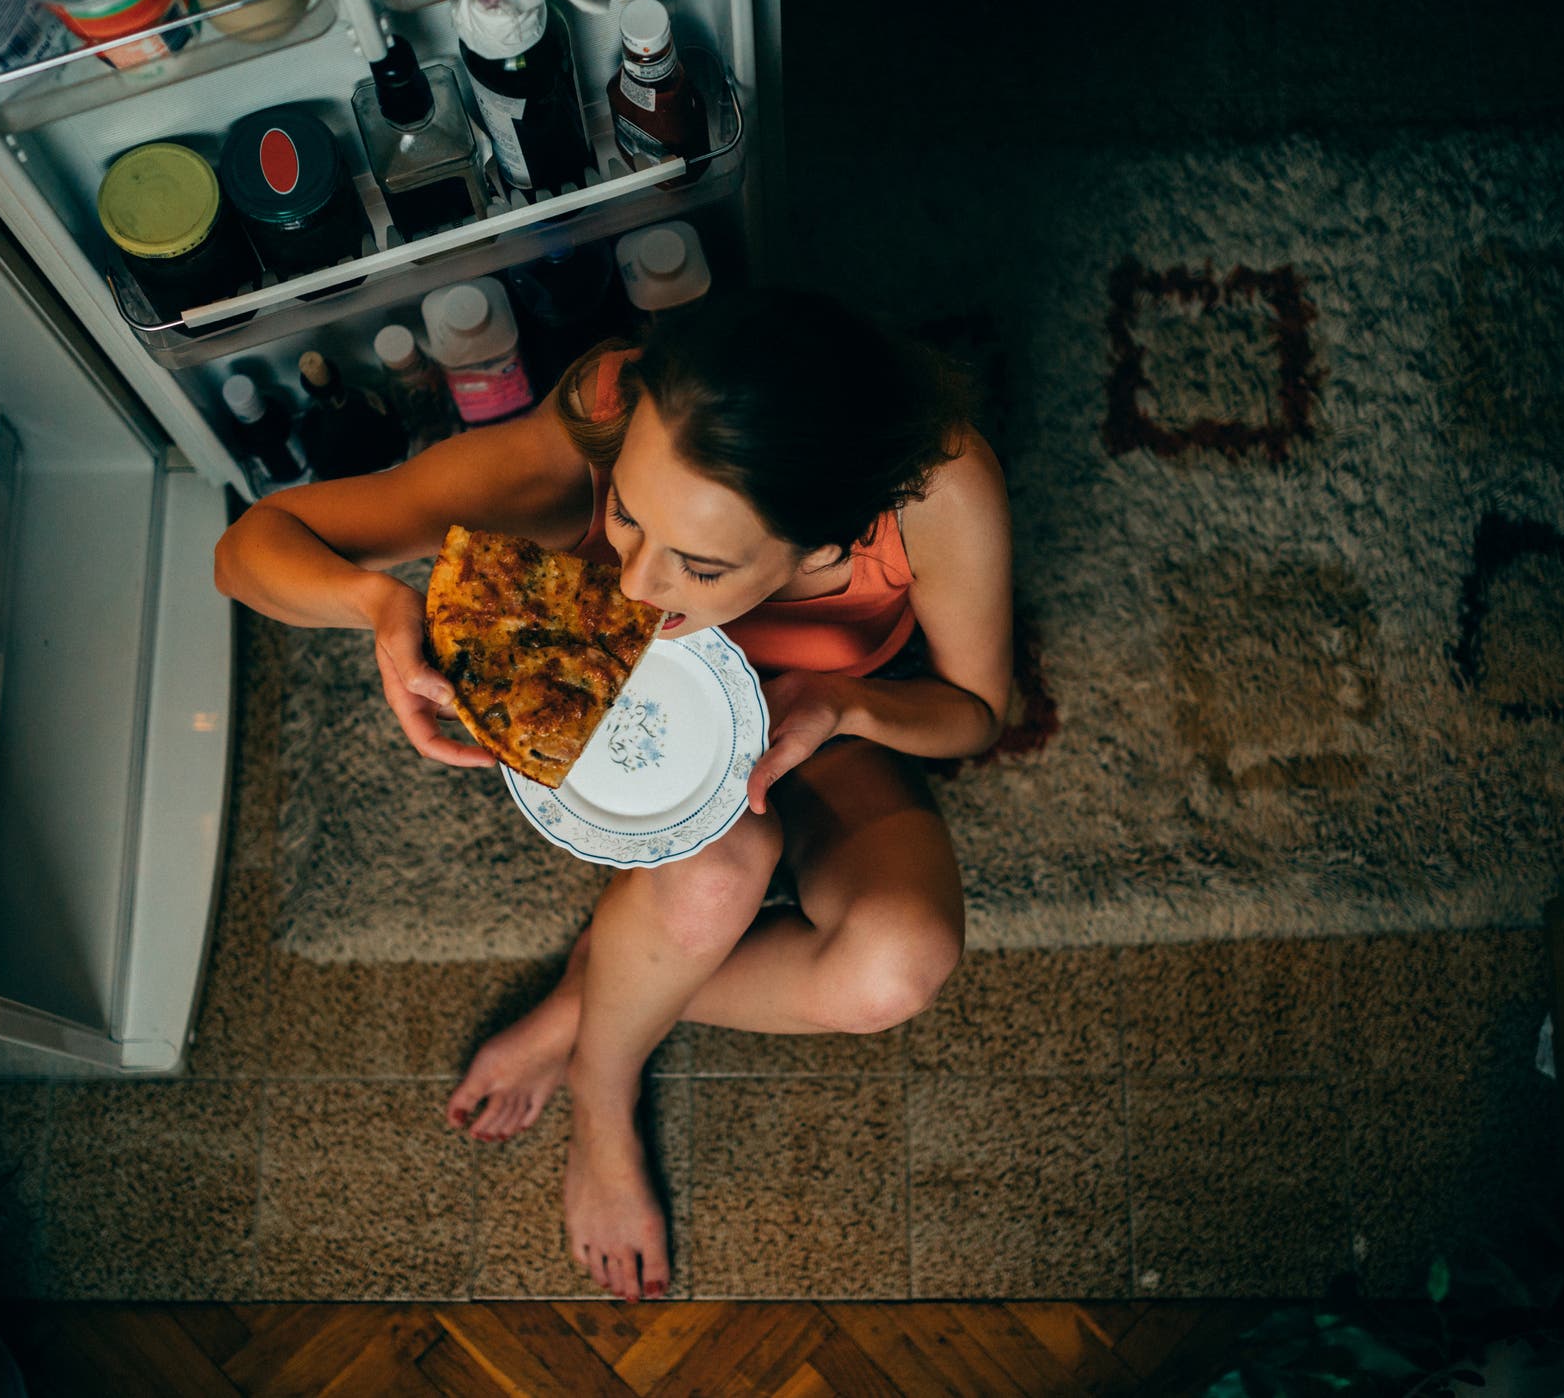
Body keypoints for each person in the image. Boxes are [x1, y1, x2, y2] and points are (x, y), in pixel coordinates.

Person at [212, 287, 1013, 1305]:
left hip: (816, 723)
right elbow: (247, 550)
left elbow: (979, 710)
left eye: (702, 564)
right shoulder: (605, 412)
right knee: (717, 876)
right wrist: (378, 602)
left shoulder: (934, 488)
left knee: (897, 970)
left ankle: (600, 993)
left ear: (826, 544)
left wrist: (848, 703)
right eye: (630, 518)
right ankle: (604, 1088)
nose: (638, 585)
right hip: (615, 725)